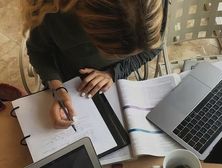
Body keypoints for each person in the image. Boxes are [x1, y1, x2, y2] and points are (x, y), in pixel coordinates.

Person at [21, 0, 167, 129]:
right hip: (66, 81)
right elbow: (39, 52)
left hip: (111, 83)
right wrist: (58, 89)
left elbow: (156, 46)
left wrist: (113, 72)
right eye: (113, 53)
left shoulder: (151, 6)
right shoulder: (53, 9)